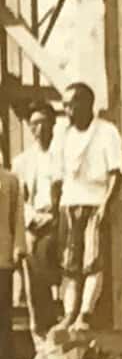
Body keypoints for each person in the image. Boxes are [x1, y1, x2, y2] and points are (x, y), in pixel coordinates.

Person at [56, 82, 122, 344]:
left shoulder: (106, 132)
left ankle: (85, 313)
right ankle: (68, 314)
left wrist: (106, 205)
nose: (67, 110)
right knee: (69, 265)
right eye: (65, 105)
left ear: (86, 104)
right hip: (69, 204)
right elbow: (59, 175)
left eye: (71, 104)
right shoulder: (65, 135)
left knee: (92, 262)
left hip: (94, 202)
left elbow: (116, 174)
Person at [14, 101, 61, 342]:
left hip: (59, 220)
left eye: (44, 123)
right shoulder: (22, 161)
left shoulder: (63, 154)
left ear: (53, 123)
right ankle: (40, 331)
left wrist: (55, 216)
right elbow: (18, 198)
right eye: (34, 124)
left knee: (66, 271)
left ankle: (64, 325)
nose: (39, 129)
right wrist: (32, 218)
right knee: (33, 272)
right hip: (34, 221)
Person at [0, 159, 25, 359]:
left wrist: (18, 246)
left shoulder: (10, 181)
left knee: (3, 311)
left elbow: (18, 217)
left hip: (2, 254)